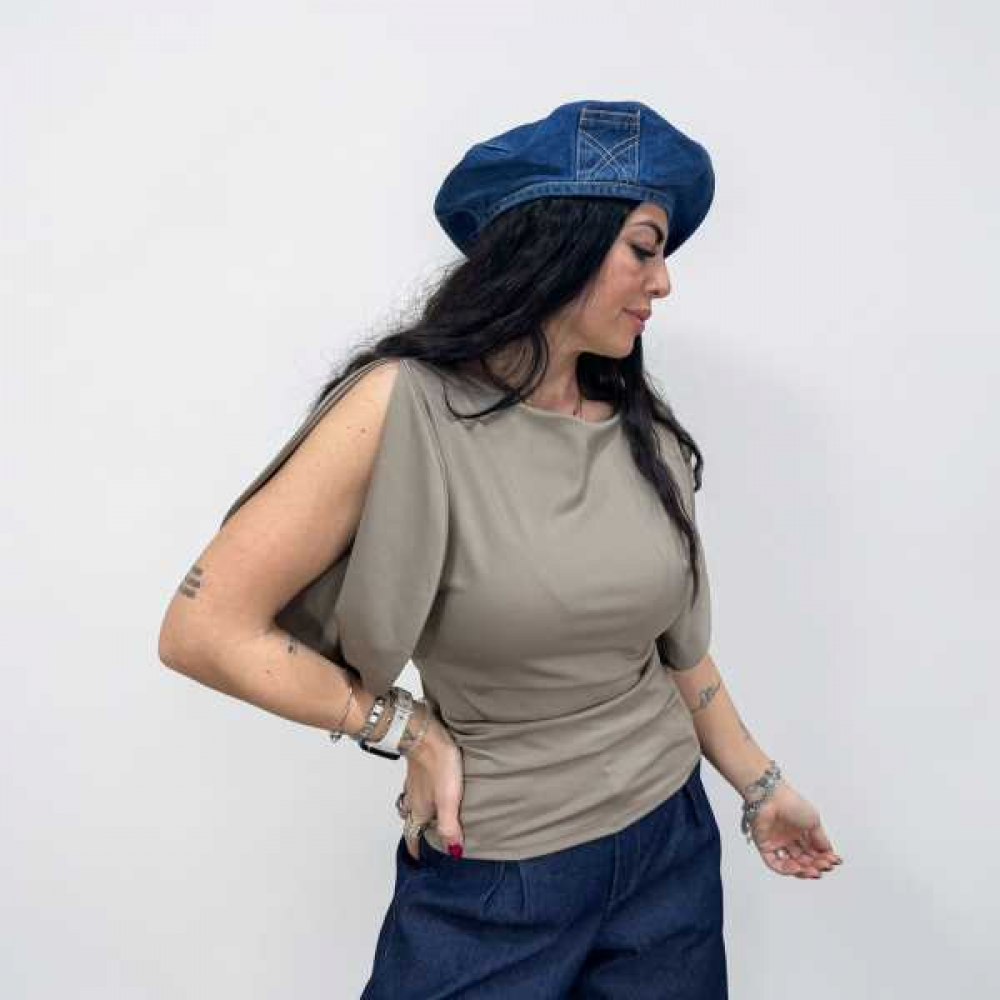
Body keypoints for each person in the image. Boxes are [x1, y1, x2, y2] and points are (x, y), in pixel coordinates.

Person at [158, 100, 843, 999]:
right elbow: (203, 629)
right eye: (644, 248)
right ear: (559, 243)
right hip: (498, 877)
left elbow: (673, 651)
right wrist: (404, 728)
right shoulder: (405, 409)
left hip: (670, 852)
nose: (665, 281)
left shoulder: (639, 428)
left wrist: (760, 786)